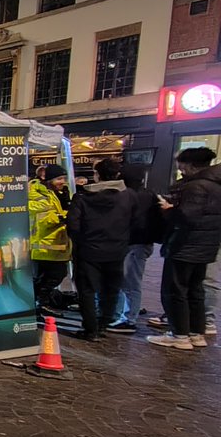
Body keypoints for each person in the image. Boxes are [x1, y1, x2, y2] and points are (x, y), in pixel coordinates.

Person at [147, 147, 221, 349]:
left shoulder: (195, 187)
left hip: (185, 246)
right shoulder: (215, 186)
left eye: (182, 166)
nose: (180, 171)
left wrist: (169, 210)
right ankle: (196, 333)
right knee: (195, 291)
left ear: (190, 165)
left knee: (175, 291)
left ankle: (179, 334)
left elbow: (187, 217)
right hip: (205, 246)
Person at [66, 159, 134, 341]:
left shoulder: (82, 198)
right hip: (117, 250)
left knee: (87, 291)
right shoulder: (128, 196)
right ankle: (103, 324)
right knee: (110, 289)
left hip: (89, 251)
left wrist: (81, 242)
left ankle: (91, 329)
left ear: (97, 175)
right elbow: (136, 222)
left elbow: (72, 226)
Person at [107, 164, 161, 333]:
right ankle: (125, 314)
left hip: (134, 242)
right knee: (128, 281)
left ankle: (129, 319)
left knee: (130, 282)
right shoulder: (149, 195)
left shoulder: (129, 196)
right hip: (140, 242)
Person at [29, 164, 71, 314]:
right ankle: (39, 302)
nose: (63, 182)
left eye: (64, 178)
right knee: (54, 275)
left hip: (52, 244)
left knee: (52, 275)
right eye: (59, 178)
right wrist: (65, 217)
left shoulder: (52, 193)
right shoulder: (38, 193)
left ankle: (40, 303)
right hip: (44, 244)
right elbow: (41, 218)